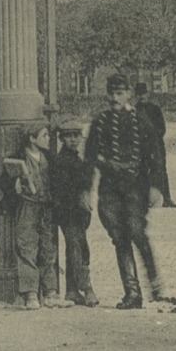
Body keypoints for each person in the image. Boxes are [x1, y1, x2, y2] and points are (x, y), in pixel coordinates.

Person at [86, 74, 163, 309]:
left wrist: (155, 187)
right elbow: (89, 158)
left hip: (135, 187)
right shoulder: (100, 122)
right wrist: (87, 190)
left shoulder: (141, 120)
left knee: (137, 232)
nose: (114, 98)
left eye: (119, 93)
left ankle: (154, 280)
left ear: (129, 93)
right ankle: (132, 293)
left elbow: (155, 156)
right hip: (109, 187)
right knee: (119, 238)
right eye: (111, 93)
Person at [0, 122, 57, 310]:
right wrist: (14, 185)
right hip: (27, 207)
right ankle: (31, 294)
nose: (49, 139)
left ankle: (51, 293)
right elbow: (5, 182)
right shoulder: (18, 158)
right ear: (32, 139)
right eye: (44, 135)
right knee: (27, 248)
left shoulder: (48, 157)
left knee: (48, 248)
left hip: (46, 208)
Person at [46, 124, 99, 307]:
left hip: (77, 212)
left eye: (76, 135)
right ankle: (86, 288)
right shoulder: (62, 161)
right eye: (68, 136)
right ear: (62, 138)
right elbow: (68, 189)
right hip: (69, 212)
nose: (73, 140)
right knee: (79, 249)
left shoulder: (75, 158)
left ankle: (71, 290)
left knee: (75, 248)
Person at [135, 82, 176, 208]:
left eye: (144, 94)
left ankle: (167, 198)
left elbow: (162, 128)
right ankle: (145, 199)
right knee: (143, 171)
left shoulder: (155, 108)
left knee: (162, 170)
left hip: (157, 145)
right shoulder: (134, 110)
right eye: (139, 94)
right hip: (142, 147)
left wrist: (153, 138)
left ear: (147, 94)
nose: (142, 97)